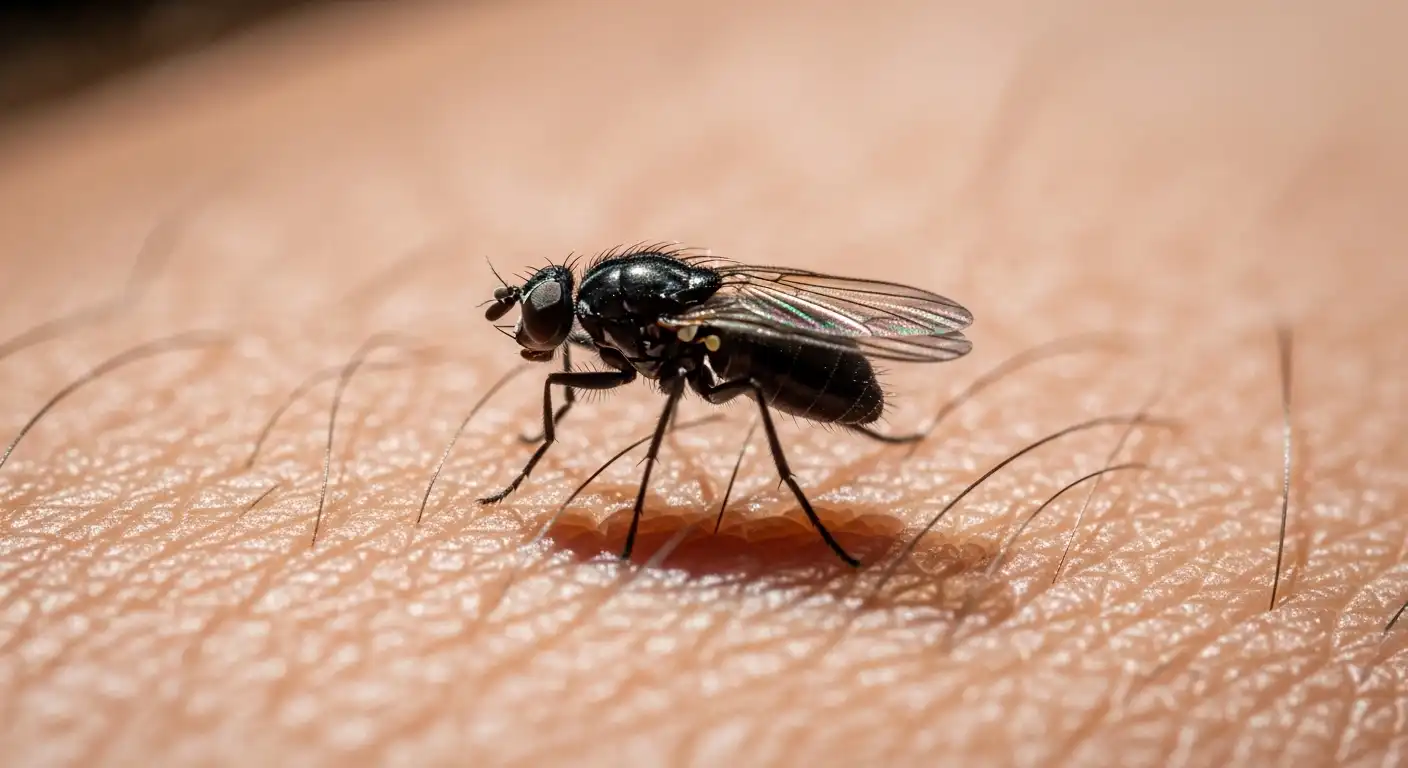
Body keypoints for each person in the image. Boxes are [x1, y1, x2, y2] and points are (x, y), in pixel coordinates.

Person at [1, 0, 1404, 763]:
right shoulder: (624, 311)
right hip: (764, 339)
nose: (547, 341)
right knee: (701, 374)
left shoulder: (639, 323)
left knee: (705, 381)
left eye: (548, 322)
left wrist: (760, 466)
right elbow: (674, 349)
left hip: (795, 356)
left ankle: (815, 495)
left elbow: (708, 362)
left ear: (580, 306)